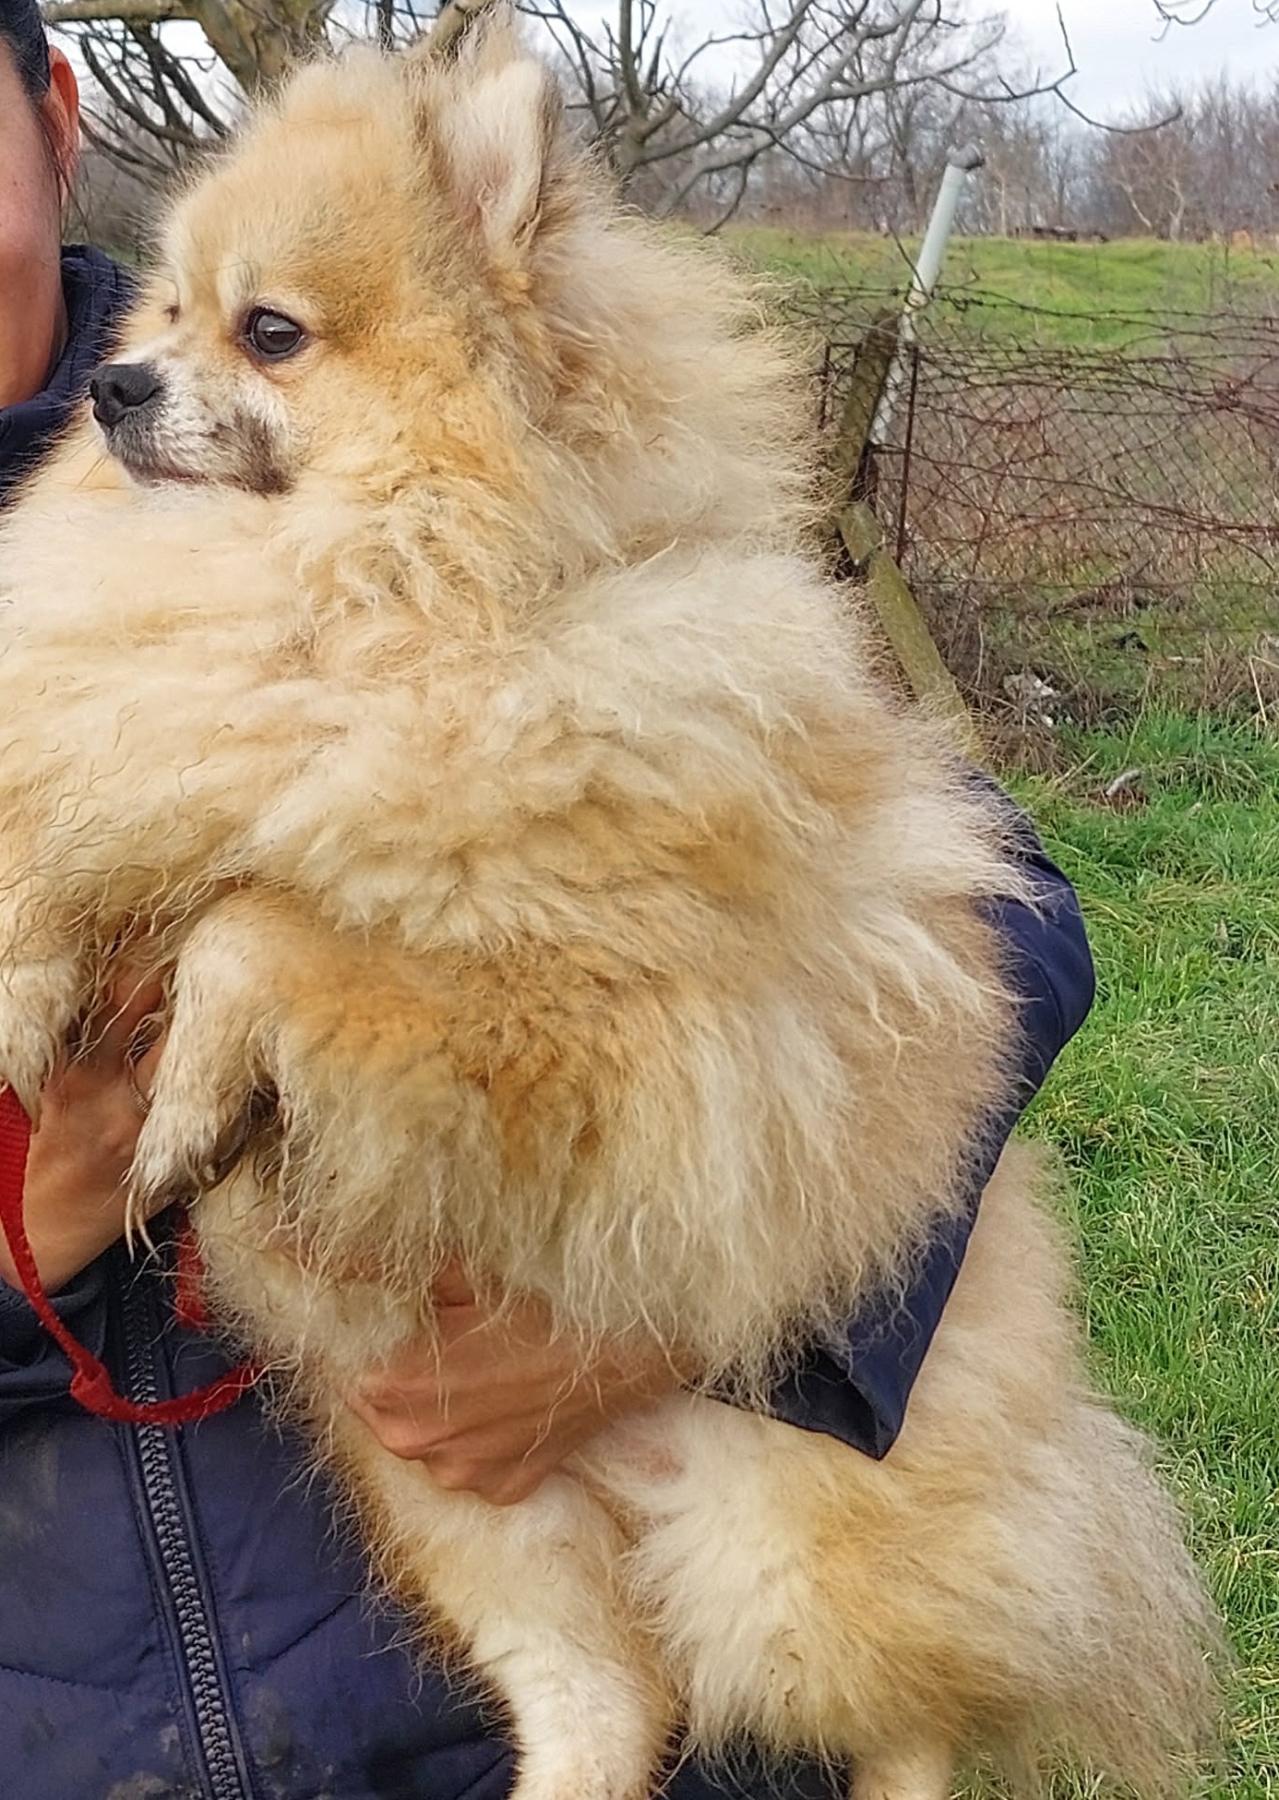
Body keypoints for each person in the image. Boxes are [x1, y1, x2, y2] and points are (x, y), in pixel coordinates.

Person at [0, 6, 1096, 1796]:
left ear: (55, 120)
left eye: (261, 332)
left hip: (542, 1566)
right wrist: (35, 1218)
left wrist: (673, 1306)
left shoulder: (541, 537)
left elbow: (999, 918)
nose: (172, 365)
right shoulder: (123, 520)